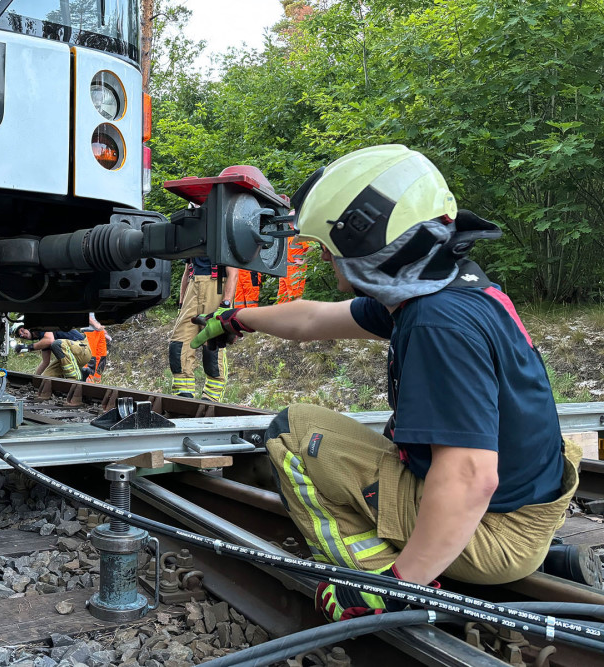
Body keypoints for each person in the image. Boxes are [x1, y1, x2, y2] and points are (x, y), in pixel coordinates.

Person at [190, 144, 588, 622]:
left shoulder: (435, 323)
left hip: (494, 532)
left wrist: (400, 588)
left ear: (364, 244)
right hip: (525, 512)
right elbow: (314, 318)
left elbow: (469, 477)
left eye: (327, 247)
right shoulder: (444, 287)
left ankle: (369, 576)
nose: (324, 257)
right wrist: (240, 318)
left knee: (292, 432)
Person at [168, 256, 238, 401]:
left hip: (216, 287)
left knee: (213, 344)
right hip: (193, 288)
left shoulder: (222, 235)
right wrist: (181, 304)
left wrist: (225, 305)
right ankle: (183, 394)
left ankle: (211, 397)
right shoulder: (194, 238)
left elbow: (233, 273)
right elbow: (187, 271)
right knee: (179, 342)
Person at [14, 326, 93, 380]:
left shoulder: (44, 326)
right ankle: (82, 373)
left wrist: (28, 347)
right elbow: (45, 362)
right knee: (46, 378)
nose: (22, 334)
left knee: (56, 344)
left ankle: (75, 379)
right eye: (19, 335)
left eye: (21, 330)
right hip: (72, 356)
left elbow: (50, 341)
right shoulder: (43, 339)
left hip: (82, 350)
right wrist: (34, 379)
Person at [84, 313, 112, 383]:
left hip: (99, 330)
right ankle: (88, 383)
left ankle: (97, 382)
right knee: (91, 357)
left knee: (102, 356)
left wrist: (102, 329)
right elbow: (83, 313)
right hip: (89, 330)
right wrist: (95, 324)